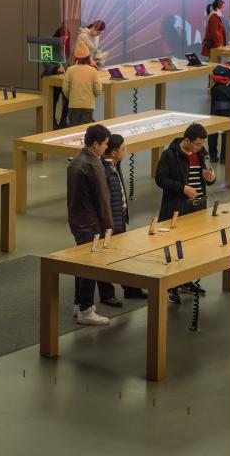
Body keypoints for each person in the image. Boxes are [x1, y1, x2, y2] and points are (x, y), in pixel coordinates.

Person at [155, 123, 215, 303]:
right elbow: (160, 179)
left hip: (198, 207)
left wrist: (211, 179)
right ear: (187, 140)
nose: (200, 147)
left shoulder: (202, 153)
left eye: (202, 143)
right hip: (177, 207)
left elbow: (208, 175)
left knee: (193, 246)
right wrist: (182, 188)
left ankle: (187, 280)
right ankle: (172, 286)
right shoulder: (170, 155)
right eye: (197, 144)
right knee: (174, 247)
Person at [66, 124, 113, 325]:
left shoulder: (76, 160)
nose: (106, 149)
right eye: (105, 145)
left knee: (81, 263)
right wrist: (109, 226)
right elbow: (102, 198)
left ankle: (79, 303)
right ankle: (85, 308)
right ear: (95, 144)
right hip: (91, 223)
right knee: (91, 265)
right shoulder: (94, 165)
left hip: (77, 220)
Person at [97, 134, 147, 305]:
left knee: (123, 256)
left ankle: (130, 289)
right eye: (123, 149)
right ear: (113, 152)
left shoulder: (115, 166)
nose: (126, 151)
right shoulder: (103, 170)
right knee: (105, 259)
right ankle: (106, 294)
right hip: (109, 223)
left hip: (119, 219)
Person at [208, 60, 230, 163]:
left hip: (217, 100)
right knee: (229, 128)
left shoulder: (216, 80)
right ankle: (226, 157)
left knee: (214, 128)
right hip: (229, 103)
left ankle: (213, 155)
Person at [62, 41, 102, 126]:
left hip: (73, 105)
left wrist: (71, 97)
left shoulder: (70, 70)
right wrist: (91, 97)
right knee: (85, 130)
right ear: (88, 57)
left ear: (76, 58)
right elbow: (98, 89)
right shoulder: (93, 71)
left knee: (73, 130)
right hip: (88, 105)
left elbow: (65, 89)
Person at [43, 24, 71, 129]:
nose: (65, 40)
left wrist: (67, 68)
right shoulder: (47, 45)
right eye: (63, 38)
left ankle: (63, 120)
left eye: (67, 38)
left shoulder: (64, 46)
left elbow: (65, 62)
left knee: (68, 97)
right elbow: (45, 62)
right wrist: (56, 68)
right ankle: (52, 121)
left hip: (63, 77)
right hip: (51, 76)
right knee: (53, 100)